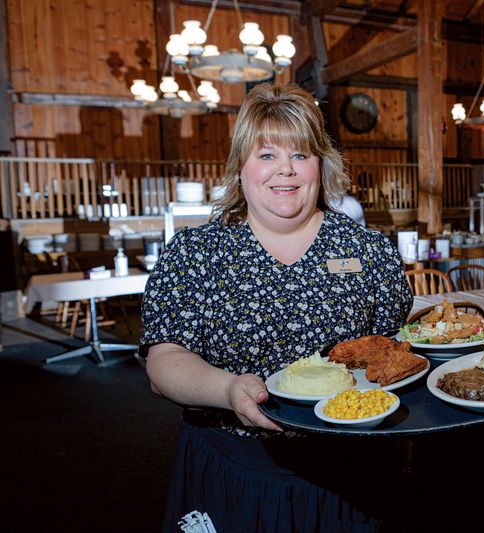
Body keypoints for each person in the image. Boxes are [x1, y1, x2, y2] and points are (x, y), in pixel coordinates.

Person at [140, 83, 413, 532]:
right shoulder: (195, 252)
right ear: (240, 167)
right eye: (266, 155)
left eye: (301, 155)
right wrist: (228, 389)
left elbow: (392, 354)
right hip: (234, 469)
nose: (285, 171)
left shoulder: (368, 250)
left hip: (353, 472)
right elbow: (164, 361)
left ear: (321, 165)